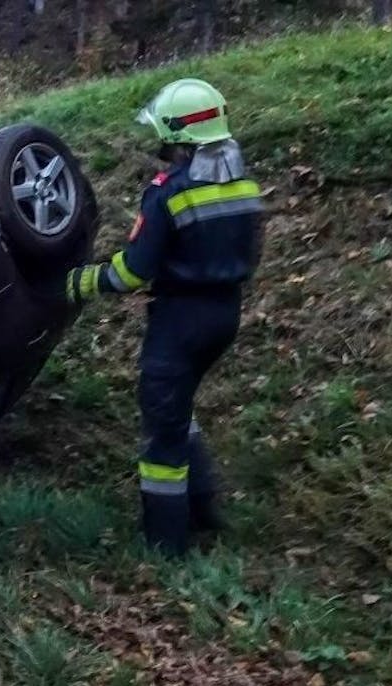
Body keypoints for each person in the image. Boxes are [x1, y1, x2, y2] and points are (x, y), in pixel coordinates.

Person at [62, 78, 263, 556]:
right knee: (179, 411)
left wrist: (78, 283)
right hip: (225, 316)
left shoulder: (170, 192)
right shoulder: (244, 184)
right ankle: (205, 510)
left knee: (162, 442)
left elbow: (132, 272)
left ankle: (165, 547)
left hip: (180, 323)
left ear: (178, 137)